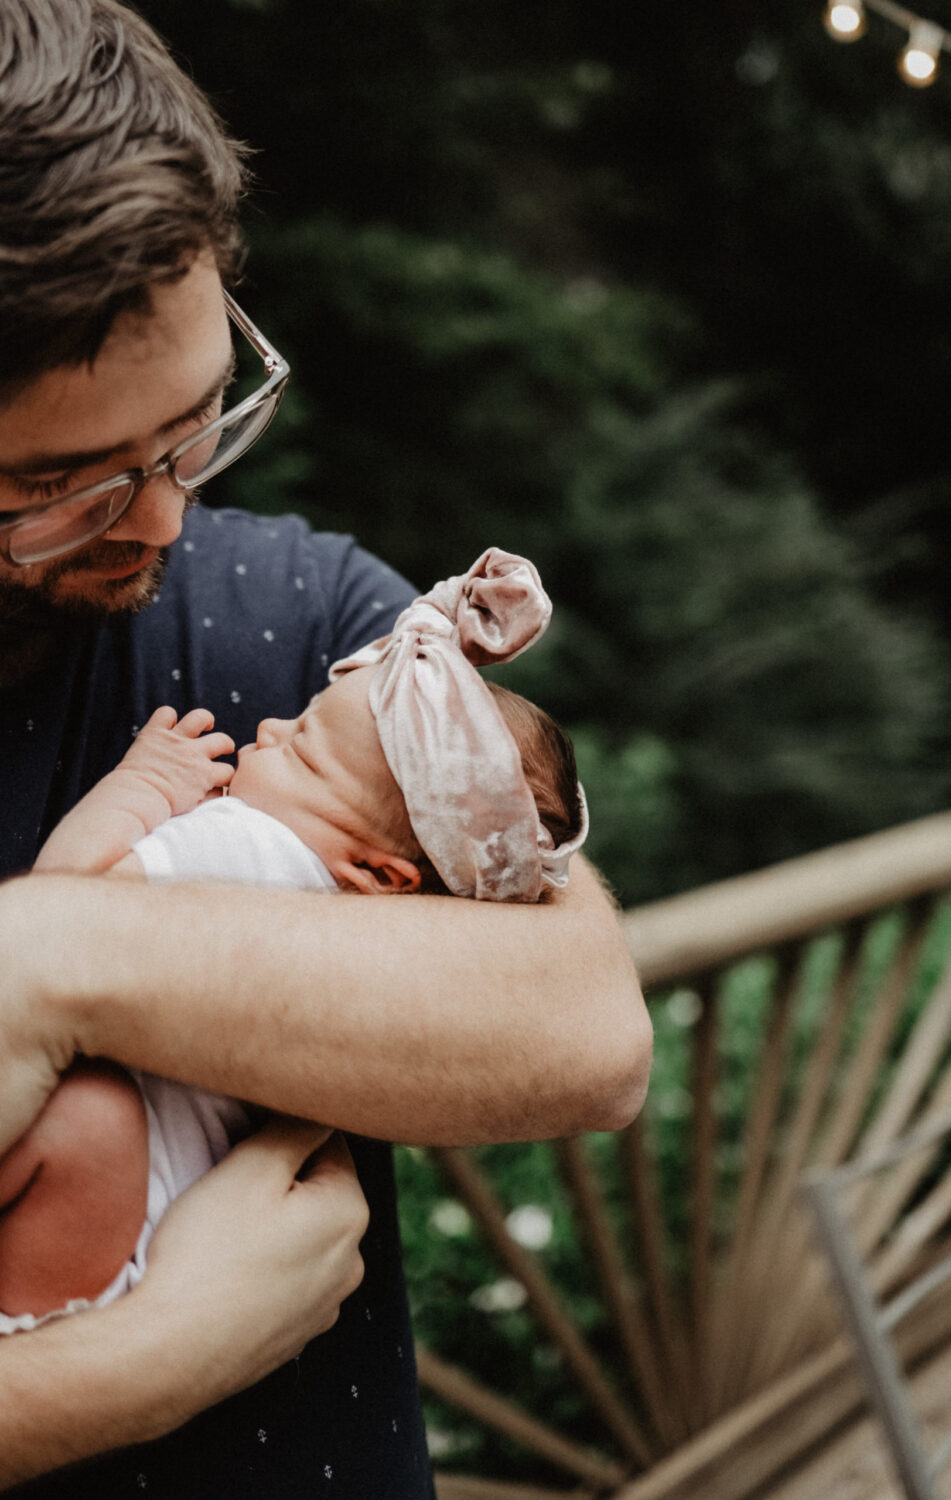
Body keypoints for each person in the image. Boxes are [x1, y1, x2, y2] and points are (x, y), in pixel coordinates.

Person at [0, 2, 651, 1494]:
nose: (165, 518)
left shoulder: (291, 613)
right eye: (64, 486)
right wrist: (124, 1368)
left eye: (195, 424)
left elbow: (584, 1027)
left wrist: (44, 963)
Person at [1, 550, 589, 1328]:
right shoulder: (372, 936)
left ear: (379, 873)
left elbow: (63, 908)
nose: (272, 728)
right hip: (156, 1224)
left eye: (305, 749)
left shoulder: (258, 850)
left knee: (88, 1115)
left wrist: (137, 791)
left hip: (89, 1200)